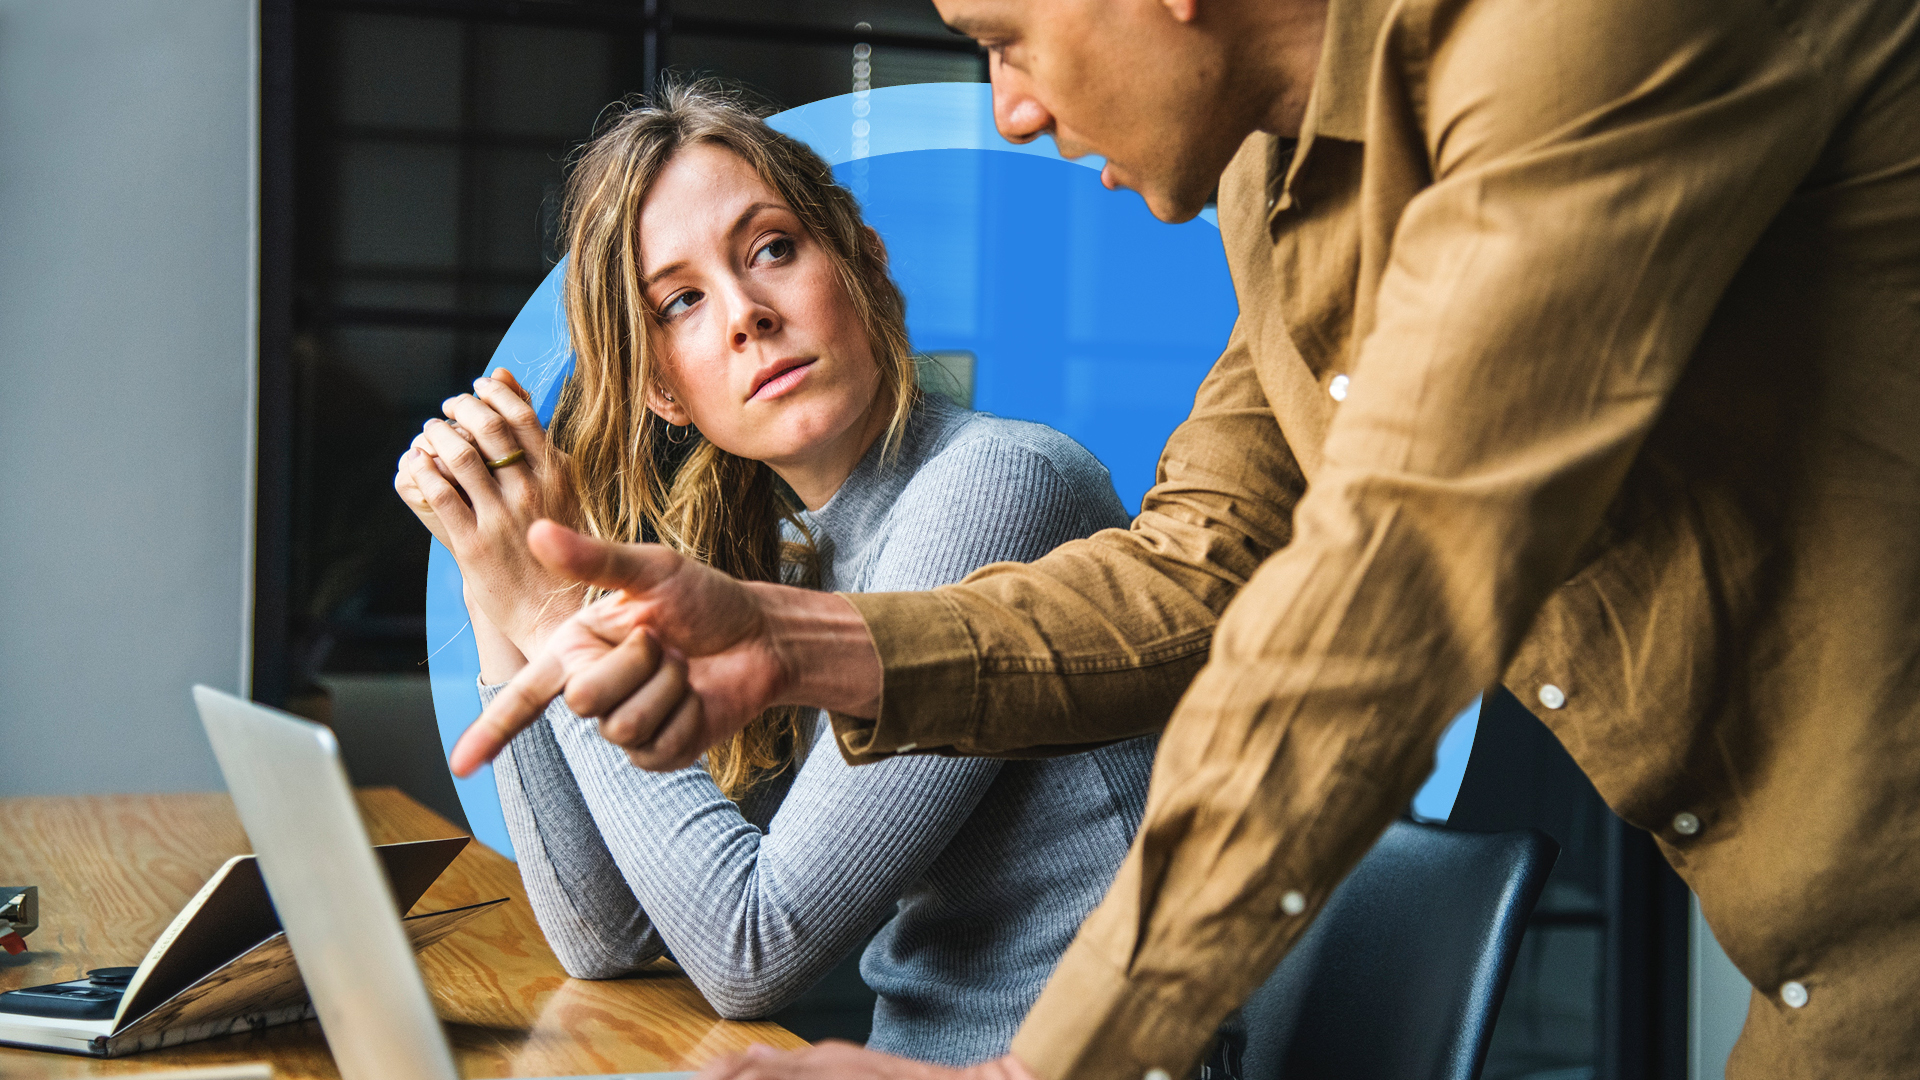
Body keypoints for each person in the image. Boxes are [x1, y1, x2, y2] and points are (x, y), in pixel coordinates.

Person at [457, 0, 1920, 1077]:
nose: (1010, 107)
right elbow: (1199, 566)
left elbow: (1386, 591)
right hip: (1816, 971)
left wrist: (1042, 1074)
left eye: (1004, 36)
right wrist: (784, 641)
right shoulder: (1275, 186)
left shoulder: (1577, 39)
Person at [394, 83, 1160, 1067]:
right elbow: (609, 938)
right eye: (682, 301)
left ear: (865, 265)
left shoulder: (996, 486)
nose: (746, 315)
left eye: (772, 249)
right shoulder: (800, 554)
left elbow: (752, 951)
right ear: (663, 388)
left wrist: (552, 615)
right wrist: (495, 570)